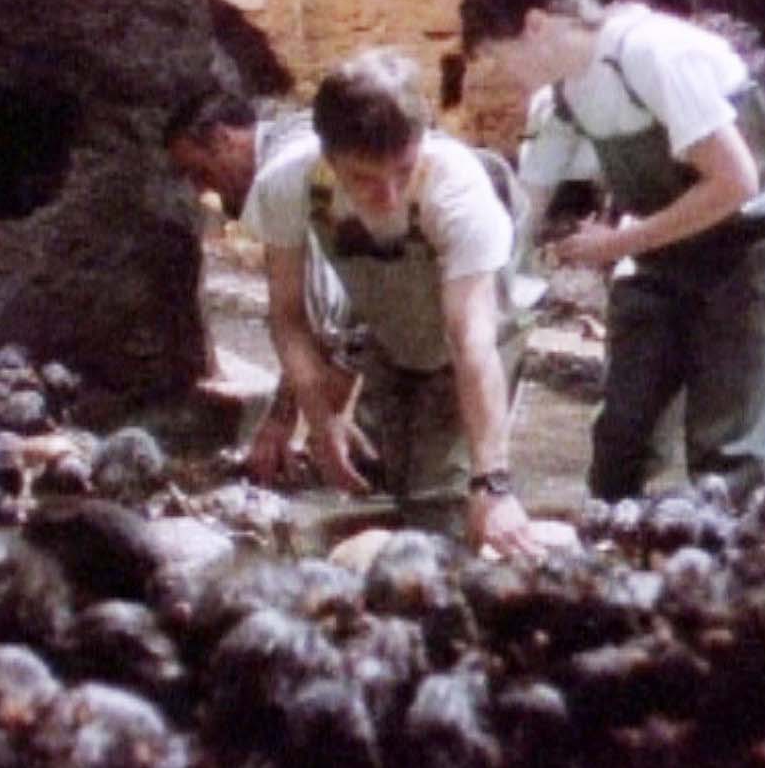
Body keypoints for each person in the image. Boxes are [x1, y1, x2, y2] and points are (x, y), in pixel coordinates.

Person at [461, 0, 765, 505]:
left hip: (744, 242)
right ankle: (612, 535)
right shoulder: (562, 95)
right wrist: (488, 293)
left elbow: (735, 182)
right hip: (660, 247)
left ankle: (727, 543)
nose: (504, 73)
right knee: (623, 432)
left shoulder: (650, 53)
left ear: (536, 25)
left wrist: (617, 243)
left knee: (727, 440)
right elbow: (526, 207)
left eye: (501, 55)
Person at [240, 48, 543, 556]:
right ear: (328, 156)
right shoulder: (289, 182)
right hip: (389, 328)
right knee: (380, 479)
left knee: (439, 500)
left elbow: (472, 342)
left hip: (476, 334)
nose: (389, 195)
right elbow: (289, 317)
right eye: (363, 177)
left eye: (404, 171)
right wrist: (320, 419)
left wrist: (492, 482)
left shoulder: (457, 191)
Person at [165, 91, 357, 480]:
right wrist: (296, 416)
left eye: (201, 172)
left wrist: (302, 421)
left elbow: (327, 318)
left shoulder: (285, 172)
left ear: (223, 139)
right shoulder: (291, 147)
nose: (202, 191)